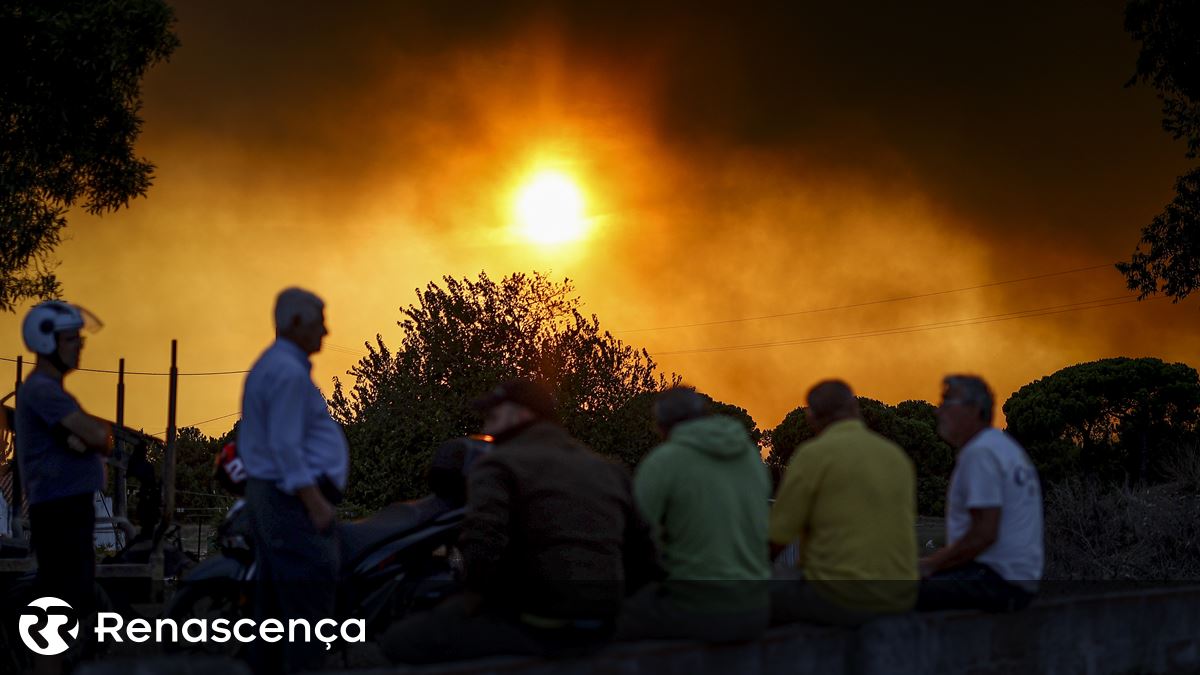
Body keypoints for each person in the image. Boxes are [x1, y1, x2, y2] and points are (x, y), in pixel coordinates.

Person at [381, 378, 659, 664]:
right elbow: (646, 559)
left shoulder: (498, 465)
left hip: (538, 625)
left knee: (399, 640)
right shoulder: (609, 469)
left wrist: (468, 602)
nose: (486, 426)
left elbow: (482, 551)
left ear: (525, 414)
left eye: (494, 415)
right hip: (604, 623)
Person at [238, 287, 348, 673]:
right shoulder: (286, 372)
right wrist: (314, 500)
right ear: (296, 323)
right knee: (308, 608)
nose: (327, 331)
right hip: (290, 503)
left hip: (275, 499)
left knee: (274, 610)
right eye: (320, 320)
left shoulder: (277, 366)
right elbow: (285, 445)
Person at [616, 386, 771, 643]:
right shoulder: (750, 456)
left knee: (605, 622)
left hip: (697, 609)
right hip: (756, 608)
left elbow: (634, 539)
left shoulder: (664, 461)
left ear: (663, 427)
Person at [768, 380, 918, 626]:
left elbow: (777, 540)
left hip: (839, 597)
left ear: (812, 418)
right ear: (854, 408)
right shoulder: (895, 456)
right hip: (900, 596)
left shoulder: (813, 456)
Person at [16, 300, 113, 674]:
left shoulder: (51, 393)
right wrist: (91, 437)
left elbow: (91, 439)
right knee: (58, 607)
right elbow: (97, 435)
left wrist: (88, 439)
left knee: (72, 602)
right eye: (71, 339)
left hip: (68, 509)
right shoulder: (43, 391)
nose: (80, 345)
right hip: (59, 511)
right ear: (46, 341)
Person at [919, 375, 1042, 612]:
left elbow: (984, 534)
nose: (938, 411)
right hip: (1018, 581)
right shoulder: (1005, 447)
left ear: (974, 409)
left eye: (947, 402)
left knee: (890, 594)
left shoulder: (980, 453)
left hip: (994, 581)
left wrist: (930, 565)